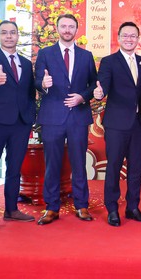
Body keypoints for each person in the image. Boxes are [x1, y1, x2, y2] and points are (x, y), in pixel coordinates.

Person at [34, 14, 98, 225]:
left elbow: (93, 84)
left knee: (79, 163)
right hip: (52, 116)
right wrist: (43, 84)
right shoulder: (45, 53)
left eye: (71, 26)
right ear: (57, 28)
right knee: (52, 163)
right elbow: (36, 81)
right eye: (64, 26)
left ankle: (82, 205)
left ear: (76, 30)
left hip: (78, 115)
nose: (67, 30)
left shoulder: (86, 56)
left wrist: (82, 97)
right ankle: (51, 207)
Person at [93, 22, 141, 227]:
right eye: (125, 35)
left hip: (139, 123)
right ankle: (112, 209)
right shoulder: (109, 61)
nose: (129, 39)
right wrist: (99, 93)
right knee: (114, 166)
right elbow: (103, 85)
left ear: (138, 39)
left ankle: (133, 207)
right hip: (116, 124)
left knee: (136, 167)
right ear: (119, 38)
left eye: (133, 36)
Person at [0, 20, 37, 230]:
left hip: (21, 123)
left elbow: (30, 92)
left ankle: (12, 209)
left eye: (12, 32)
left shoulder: (26, 63)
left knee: (14, 168)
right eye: (4, 33)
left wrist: (30, 117)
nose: (9, 36)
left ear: (18, 36)